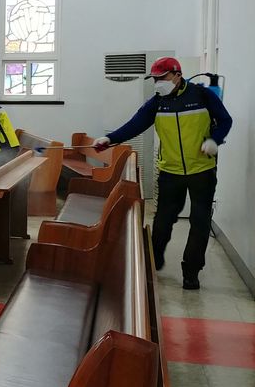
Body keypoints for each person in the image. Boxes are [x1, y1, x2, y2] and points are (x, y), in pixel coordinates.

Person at [94, 57, 232, 290]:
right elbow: (134, 125)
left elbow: (226, 120)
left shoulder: (202, 96)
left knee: (200, 222)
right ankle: (154, 260)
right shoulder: (157, 103)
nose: (158, 83)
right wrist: (110, 139)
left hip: (202, 171)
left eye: (162, 78)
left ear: (177, 75)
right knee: (163, 221)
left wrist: (214, 140)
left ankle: (191, 271)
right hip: (170, 171)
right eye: (155, 79)